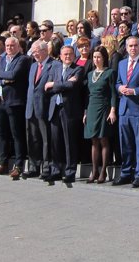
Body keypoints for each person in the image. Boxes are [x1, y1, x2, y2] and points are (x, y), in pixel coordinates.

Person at [0, 37, 31, 180]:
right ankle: (2, 163)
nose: (9, 48)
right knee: (2, 135)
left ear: (18, 46)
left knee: (17, 135)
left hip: (15, 102)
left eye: (12, 45)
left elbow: (14, 75)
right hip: (0, 102)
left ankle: (18, 166)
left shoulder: (23, 59)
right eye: (7, 46)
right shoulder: (1, 59)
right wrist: (3, 78)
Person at [113, 36, 139, 186]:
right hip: (123, 109)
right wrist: (120, 88)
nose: (133, 48)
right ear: (126, 48)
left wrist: (134, 91)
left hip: (138, 109)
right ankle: (125, 172)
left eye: (135, 46)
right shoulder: (122, 63)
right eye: (130, 46)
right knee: (125, 144)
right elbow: (118, 82)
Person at [45, 45, 83, 184]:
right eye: (65, 54)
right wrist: (63, 84)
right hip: (55, 108)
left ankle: (70, 171)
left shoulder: (78, 69)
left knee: (69, 142)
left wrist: (54, 84)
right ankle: (55, 170)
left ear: (74, 56)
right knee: (55, 142)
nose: (68, 56)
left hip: (69, 110)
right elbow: (46, 88)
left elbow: (72, 86)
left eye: (70, 54)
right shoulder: (55, 68)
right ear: (60, 56)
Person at [83, 46, 118, 184]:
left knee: (103, 139)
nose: (96, 60)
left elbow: (113, 94)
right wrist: (85, 112)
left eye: (99, 57)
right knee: (93, 140)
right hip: (92, 107)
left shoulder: (110, 73)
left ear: (104, 58)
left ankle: (103, 170)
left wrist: (112, 110)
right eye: (94, 57)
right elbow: (88, 95)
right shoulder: (90, 74)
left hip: (104, 108)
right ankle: (94, 170)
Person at [24, 40, 55, 179]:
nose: (34, 54)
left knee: (46, 140)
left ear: (44, 51)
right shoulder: (32, 67)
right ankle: (33, 166)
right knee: (32, 138)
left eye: (36, 51)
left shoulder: (54, 65)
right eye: (33, 51)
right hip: (30, 108)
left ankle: (46, 167)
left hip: (45, 107)